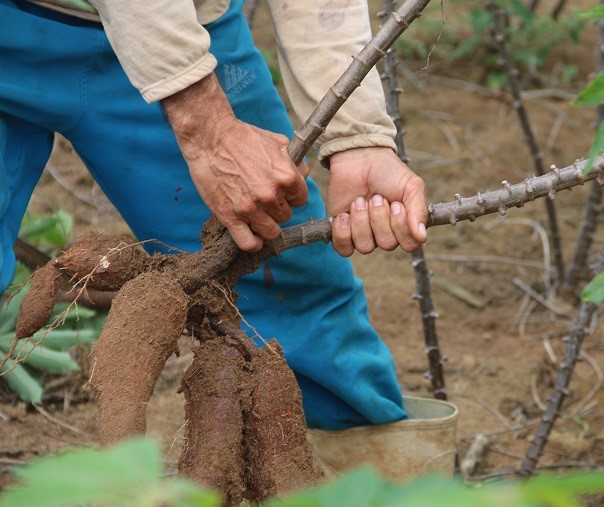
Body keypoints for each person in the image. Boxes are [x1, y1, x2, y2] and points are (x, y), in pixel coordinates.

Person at [0, 0, 431, 439]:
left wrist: (357, 136)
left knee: (282, 274)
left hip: (183, 28)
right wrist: (207, 128)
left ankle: (361, 471)